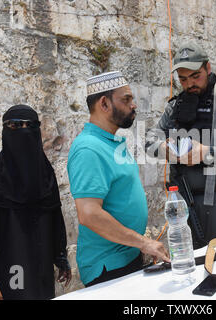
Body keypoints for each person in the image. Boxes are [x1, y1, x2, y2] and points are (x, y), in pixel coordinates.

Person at [145, 42, 216, 248]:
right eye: (183, 79)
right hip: (183, 205)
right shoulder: (174, 107)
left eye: (195, 76)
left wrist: (206, 153)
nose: (189, 84)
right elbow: (149, 141)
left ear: (208, 68)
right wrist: (166, 149)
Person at [67, 71, 170, 288]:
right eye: (126, 99)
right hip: (108, 267)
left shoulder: (112, 142)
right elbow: (89, 214)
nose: (134, 105)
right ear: (104, 103)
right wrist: (144, 243)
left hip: (127, 257)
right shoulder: (88, 148)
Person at [0, 105, 71, 300]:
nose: (24, 130)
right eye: (16, 125)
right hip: (9, 271)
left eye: (29, 125)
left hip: (41, 268)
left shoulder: (45, 172)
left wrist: (60, 258)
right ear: (5, 130)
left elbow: (55, 217)